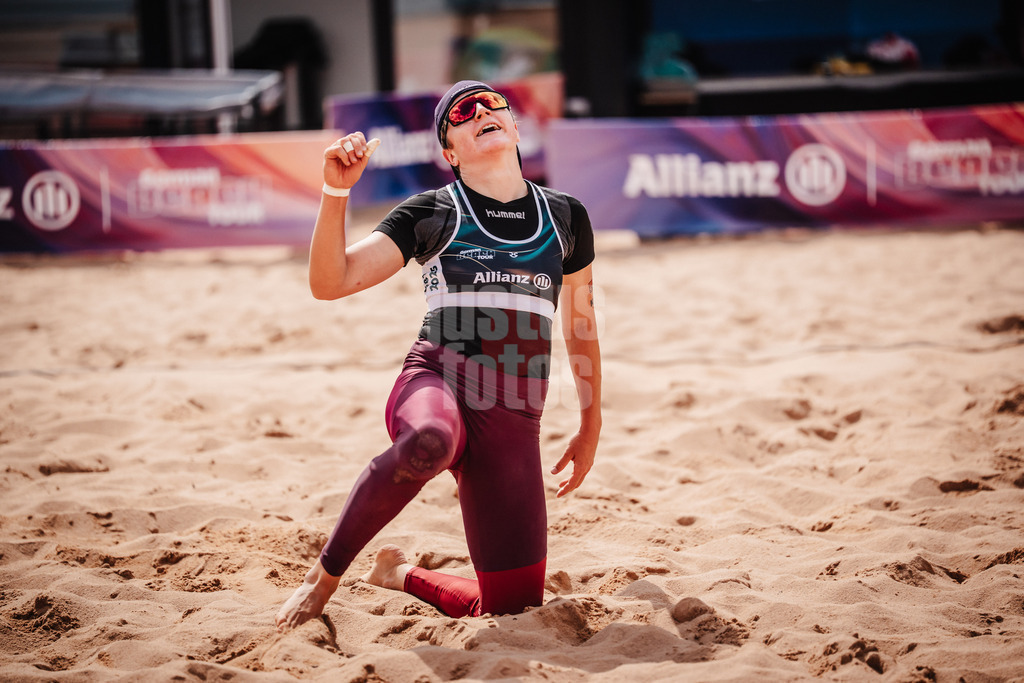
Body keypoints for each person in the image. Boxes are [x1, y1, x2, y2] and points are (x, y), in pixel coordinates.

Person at [276, 80, 602, 630]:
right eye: (461, 113)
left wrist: (591, 423)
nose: (479, 111)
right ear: (450, 153)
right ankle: (322, 577)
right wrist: (336, 192)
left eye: (492, 104)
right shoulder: (432, 212)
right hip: (438, 383)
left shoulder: (566, 216)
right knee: (428, 443)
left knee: (514, 608)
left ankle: (398, 573)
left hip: (514, 418)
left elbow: (581, 323)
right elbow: (330, 283)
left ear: (515, 126)